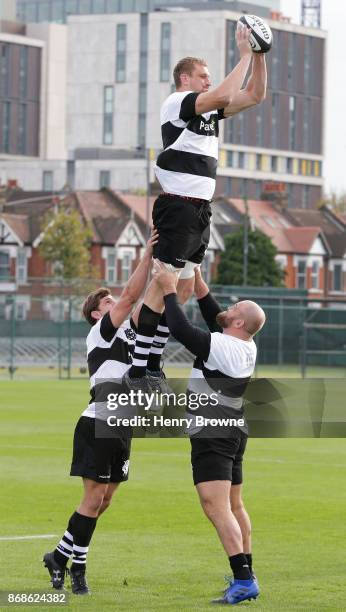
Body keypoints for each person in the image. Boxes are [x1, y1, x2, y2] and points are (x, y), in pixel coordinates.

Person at [125, 23, 267, 392]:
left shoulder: (208, 113)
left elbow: (253, 95)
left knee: (184, 290)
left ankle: (150, 362)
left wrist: (260, 55)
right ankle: (142, 369)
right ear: (184, 77)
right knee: (163, 282)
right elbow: (222, 93)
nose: (208, 81)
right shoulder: (177, 103)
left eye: (209, 76)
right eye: (202, 76)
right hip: (179, 206)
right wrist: (244, 55)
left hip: (200, 211)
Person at [43, 229, 158, 595]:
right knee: (92, 500)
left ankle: (59, 556)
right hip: (99, 422)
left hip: (122, 426)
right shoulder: (102, 334)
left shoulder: (127, 333)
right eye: (107, 303)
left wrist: (168, 268)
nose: (116, 305)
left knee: (104, 501)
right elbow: (130, 296)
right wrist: (146, 254)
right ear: (97, 314)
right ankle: (77, 570)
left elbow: (149, 300)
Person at [153, 263, 266, 606]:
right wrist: (199, 283)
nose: (227, 309)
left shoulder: (226, 348)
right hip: (232, 426)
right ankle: (246, 572)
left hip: (213, 431)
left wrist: (170, 289)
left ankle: (244, 580)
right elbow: (215, 316)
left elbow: (182, 330)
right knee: (233, 504)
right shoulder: (244, 343)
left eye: (233, 309)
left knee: (214, 506)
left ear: (239, 323)